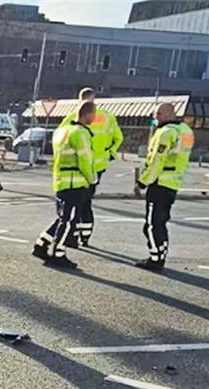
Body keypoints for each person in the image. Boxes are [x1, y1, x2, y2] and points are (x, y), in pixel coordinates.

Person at [31, 100, 97, 270]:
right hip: (76, 182)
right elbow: (85, 160)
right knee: (69, 220)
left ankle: (41, 244)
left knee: (62, 217)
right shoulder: (81, 133)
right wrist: (92, 180)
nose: (94, 118)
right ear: (88, 114)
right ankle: (57, 253)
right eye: (94, 115)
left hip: (61, 181)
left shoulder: (63, 131)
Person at [59, 87, 124, 247]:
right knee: (86, 200)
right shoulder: (107, 117)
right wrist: (110, 154)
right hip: (99, 166)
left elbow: (61, 136)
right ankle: (85, 235)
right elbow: (118, 138)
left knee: (76, 202)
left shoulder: (74, 116)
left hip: (80, 167)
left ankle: (72, 236)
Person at [136, 102, 194, 270]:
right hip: (173, 183)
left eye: (158, 114)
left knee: (152, 224)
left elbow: (156, 160)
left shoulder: (165, 133)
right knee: (161, 222)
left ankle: (155, 259)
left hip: (159, 183)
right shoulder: (186, 131)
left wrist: (143, 181)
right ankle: (161, 254)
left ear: (168, 115)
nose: (155, 118)